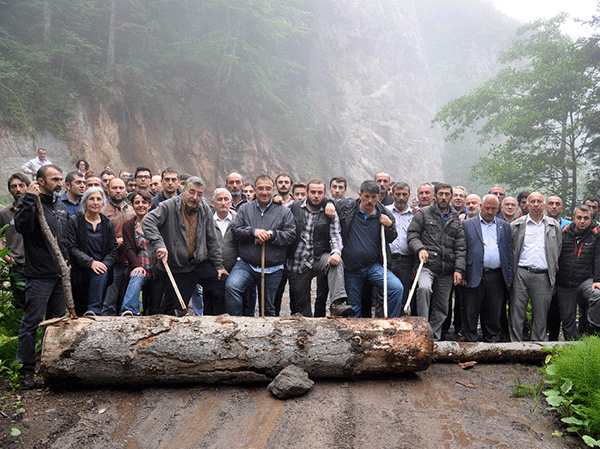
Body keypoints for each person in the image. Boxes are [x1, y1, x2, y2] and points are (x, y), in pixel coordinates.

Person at [14, 165, 69, 389]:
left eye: (60, 178)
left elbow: (65, 238)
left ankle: (52, 368)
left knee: (56, 324)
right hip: (39, 275)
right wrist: (28, 197)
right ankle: (25, 371)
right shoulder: (31, 202)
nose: (59, 182)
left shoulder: (60, 205)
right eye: (54, 179)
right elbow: (22, 226)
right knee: (31, 323)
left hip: (60, 275)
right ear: (40, 181)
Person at [143, 176, 227, 315]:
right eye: (191, 192)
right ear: (183, 190)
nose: (195, 197)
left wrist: (218, 266)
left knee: (220, 284)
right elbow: (148, 221)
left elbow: (212, 239)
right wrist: (159, 244)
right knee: (175, 308)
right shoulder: (168, 206)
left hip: (198, 263)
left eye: (199, 194)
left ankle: (212, 324)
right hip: (176, 266)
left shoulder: (204, 209)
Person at [225, 175, 296, 316]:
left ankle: (268, 334)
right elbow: (236, 230)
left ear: (273, 190)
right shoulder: (245, 209)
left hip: (273, 267)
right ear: (255, 190)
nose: (264, 192)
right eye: (261, 189)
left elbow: (290, 235)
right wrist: (253, 232)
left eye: (268, 189)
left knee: (268, 307)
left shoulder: (284, 212)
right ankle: (237, 322)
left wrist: (271, 235)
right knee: (232, 287)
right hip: (247, 264)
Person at [335, 180, 404, 318]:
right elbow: (329, 200)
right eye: (366, 196)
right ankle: (355, 336)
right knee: (353, 307)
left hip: (373, 266)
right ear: (360, 195)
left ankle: (392, 323)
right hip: (351, 268)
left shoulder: (384, 214)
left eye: (373, 197)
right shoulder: (348, 208)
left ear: (379, 197)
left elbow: (391, 237)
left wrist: (389, 225)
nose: (370, 200)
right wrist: (329, 205)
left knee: (396, 288)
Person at [407, 182, 466, 340]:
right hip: (427, 265)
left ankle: (433, 338)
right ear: (435, 195)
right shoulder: (423, 214)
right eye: (441, 194)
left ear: (451, 196)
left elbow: (460, 247)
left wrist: (458, 270)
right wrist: (420, 249)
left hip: (447, 269)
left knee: (442, 307)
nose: (444, 197)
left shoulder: (455, 219)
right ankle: (422, 329)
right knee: (424, 289)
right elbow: (412, 235)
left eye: (447, 194)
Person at [286, 179, 352, 317]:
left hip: (318, 257)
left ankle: (337, 304)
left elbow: (335, 235)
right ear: (307, 193)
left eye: (320, 193)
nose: (316, 196)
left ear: (324, 194)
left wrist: (336, 252)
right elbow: (277, 213)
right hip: (297, 263)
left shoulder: (330, 212)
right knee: (301, 310)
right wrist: (276, 201)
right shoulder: (294, 207)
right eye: (313, 192)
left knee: (336, 263)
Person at [510, 192, 562, 342]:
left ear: (544, 205)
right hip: (521, 272)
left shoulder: (553, 226)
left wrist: (553, 276)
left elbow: (557, 250)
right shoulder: (517, 225)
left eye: (539, 201)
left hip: (543, 275)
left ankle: (537, 345)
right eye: (532, 201)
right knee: (517, 312)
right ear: (527, 204)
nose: (536, 204)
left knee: (541, 314)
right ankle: (515, 346)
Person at [462, 195, 513, 342]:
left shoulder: (504, 226)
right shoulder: (468, 224)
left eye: (493, 209)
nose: (490, 212)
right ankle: (470, 339)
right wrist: (463, 272)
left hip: (496, 275)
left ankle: (492, 340)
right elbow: (462, 250)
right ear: (480, 206)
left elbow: (509, 252)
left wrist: (509, 276)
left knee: (493, 310)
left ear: (498, 209)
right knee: (471, 309)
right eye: (487, 208)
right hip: (474, 273)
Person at [66, 187, 119, 316]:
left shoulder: (107, 223)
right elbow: (71, 247)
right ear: (85, 202)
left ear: (103, 203)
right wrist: (91, 263)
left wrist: (103, 265)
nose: (95, 202)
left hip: (101, 272)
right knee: (79, 310)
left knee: (100, 274)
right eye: (91, 199)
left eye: (98, 199)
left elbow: (113, 250)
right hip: (80, 272)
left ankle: (94, 310)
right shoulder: (75, 221)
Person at [555, 205, 600, 339]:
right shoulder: (563, 232)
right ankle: (571, 347)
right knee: (567, 318)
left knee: (597, 296)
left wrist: (597, 280)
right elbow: (555, 256)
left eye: (586, 218)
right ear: (573, 218)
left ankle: (593, 332)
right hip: (564, 283)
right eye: (579, 217)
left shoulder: (596, 234)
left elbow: (598, 257)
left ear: (591, 218)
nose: (582, 221)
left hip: (585, 280)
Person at [120, 190, 163, 316]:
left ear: (150, 205)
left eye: (144, 202)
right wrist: (137, 266)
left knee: (154, 310)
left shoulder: (159, 224)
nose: (140, 205)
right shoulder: (128, 226)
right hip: (139, 267)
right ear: (132, 205)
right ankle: (128, 311)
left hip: (157, 270)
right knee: (136, 277)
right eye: (137, 202)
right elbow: (128, 249)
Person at [100, 178, 135, 315]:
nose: (118, 191)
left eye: (121, 188)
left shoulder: (131, 211)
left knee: (126, 303)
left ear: (125, 190)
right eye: (114, 188)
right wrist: (115, 241)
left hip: (129, 262)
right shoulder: (103, 211)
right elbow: (97, 237)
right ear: (108, 190)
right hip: (112, 264)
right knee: (109, 302)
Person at [0, 173, 30, 308]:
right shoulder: (4, 213)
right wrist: (6, 257)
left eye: (21, 185)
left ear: (28, 187)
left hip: (38, 265)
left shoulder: (38, 210)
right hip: (17, 265)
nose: (18, 189)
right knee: (20, 304)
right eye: (14, 186)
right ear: (9, 190)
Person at [386, 182, 415, 310]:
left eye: (404, 194)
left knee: (403, 292)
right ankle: (384, 323)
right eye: (398, 194)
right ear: (392, 194)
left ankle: (400, 323)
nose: (401, 198)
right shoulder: (385, 211)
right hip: (387, 258)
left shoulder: (415, 214)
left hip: (406, 260)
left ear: (409, 195)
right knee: (385, 292)